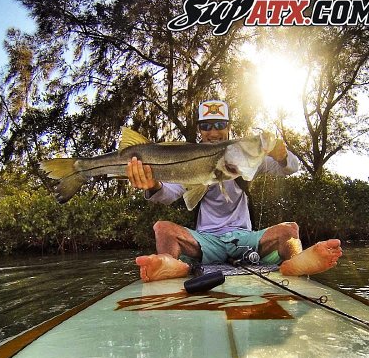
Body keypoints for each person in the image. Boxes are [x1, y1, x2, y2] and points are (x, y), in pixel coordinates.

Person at [126, 100, 342, 282]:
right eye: (207, 126)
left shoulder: (248, 156)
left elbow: (292, 168)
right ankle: (172, 266)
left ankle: (296, 263)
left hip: (246, 238)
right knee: (163, 228)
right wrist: (152, 185)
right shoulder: (188, 162)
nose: (213, 132)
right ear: (200, 130)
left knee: (289, 230)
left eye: (219, 124)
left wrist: (281, 155)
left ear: (228, 127)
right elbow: (168, 194)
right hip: (206, 241)